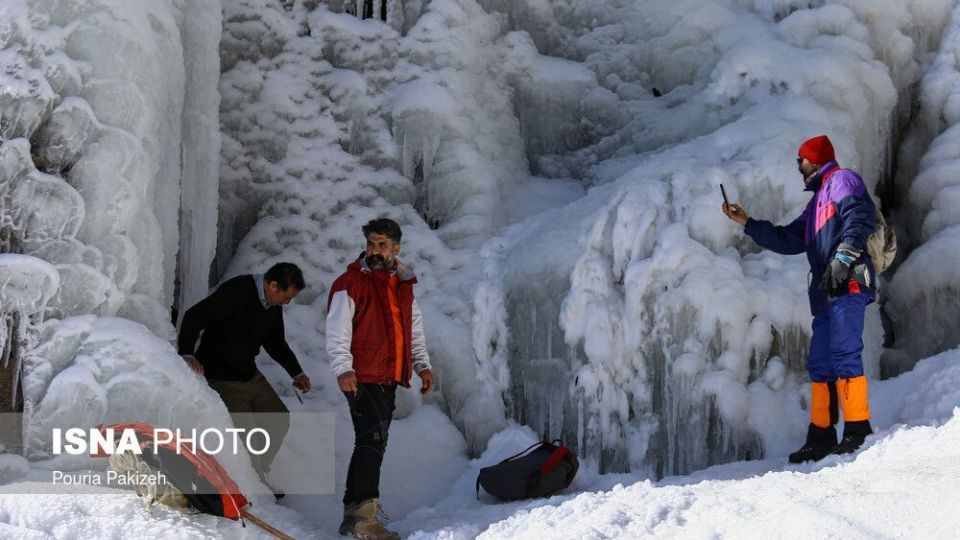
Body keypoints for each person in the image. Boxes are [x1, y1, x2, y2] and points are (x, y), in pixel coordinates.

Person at [722, 135, 876, 463]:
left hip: (846, 283)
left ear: (815, 160)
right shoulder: (819, 198)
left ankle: (857, 429)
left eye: (801, 160)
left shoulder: (842, 181)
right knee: (820, 362)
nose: (798, 166)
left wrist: (843, 259)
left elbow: (859, 220)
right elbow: (790, 239)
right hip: (826, 293)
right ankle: (821, 435)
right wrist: (746, 222)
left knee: (845, 353)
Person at [326, 218, 433, 540]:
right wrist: (343, 368)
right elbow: (336, 330)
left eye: (382, 245)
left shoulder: (403, 285)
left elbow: (412, 331)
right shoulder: (350, 282)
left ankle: (352, 517)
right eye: (371, 243)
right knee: (371, 442)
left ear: (395, 248)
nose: (374, 250)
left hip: (387, 378)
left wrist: (422, 365)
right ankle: (365, 521)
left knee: (371, 444)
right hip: (362, 377)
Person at [177, 262, 311, 497]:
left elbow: (275, 342)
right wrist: (187, 353)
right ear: (272, 285)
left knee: (278, 418)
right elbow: (194, 316)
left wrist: (296, 372)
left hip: (249, 373)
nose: (288, 302)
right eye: (287, 297)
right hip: (222, 377)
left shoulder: (272, 303)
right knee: (245, 435)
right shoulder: (237, 291)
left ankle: (257, 474)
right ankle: (255, 487)